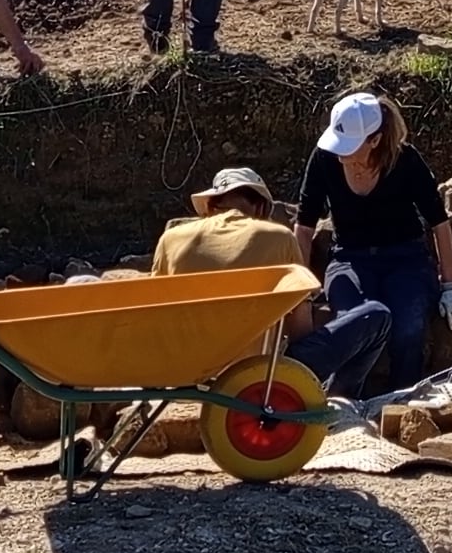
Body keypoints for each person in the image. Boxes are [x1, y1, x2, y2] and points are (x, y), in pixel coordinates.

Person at [155, 168, 390, 396]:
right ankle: (336, 399)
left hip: (186, 371)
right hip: (257, 375)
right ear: (260, 207)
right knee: (377, 316)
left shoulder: (170, 240)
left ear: (210, 205)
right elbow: (299, 328)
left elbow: (156, 310)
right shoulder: (278, 238)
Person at [292, 92, 452, 392]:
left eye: (349, 146)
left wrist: (449, 286)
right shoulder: (324, 159)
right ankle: (341, 401)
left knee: (408, 328)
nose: (339, 152)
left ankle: (402, 400)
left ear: (375, 140)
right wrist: (298, 285)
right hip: (350, 258)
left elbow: (439, 221)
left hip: (406, 259)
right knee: (356, 322)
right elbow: (305, 225)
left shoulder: (405, 160)